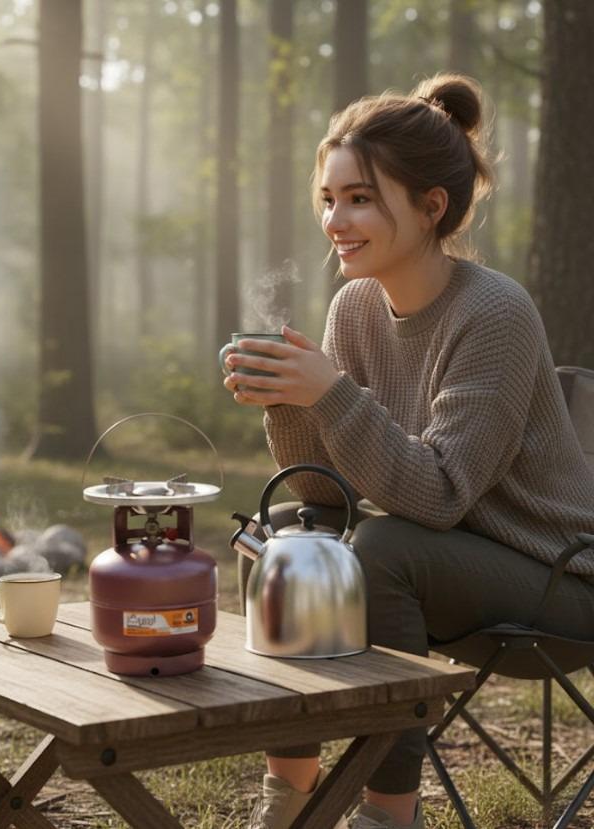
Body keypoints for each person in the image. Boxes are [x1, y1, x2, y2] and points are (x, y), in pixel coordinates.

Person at [222, 72, 594, 829]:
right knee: (283, 538)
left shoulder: (494, 312)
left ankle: (389, 814)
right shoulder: (353, 305)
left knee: (384, 545)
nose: (336, 218)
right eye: (329, 198)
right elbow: (329, 492)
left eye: (360, 197)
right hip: (451, 558)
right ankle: (291, 794)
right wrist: (290, 400)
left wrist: (331, 394)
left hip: (558, 575)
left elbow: (439, 494)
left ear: (432, 207)